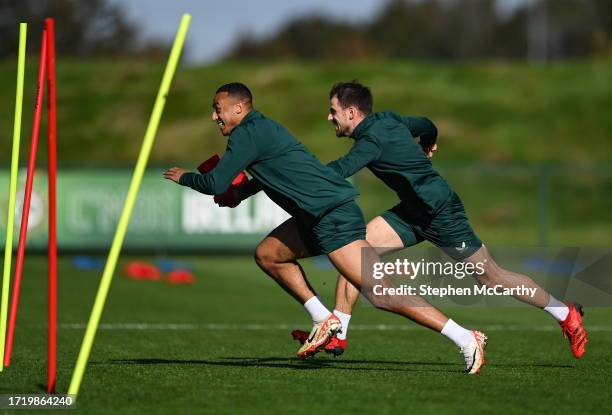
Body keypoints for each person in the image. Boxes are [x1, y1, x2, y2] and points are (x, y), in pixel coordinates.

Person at [164, 82, 487, 373]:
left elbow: (214, 181)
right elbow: (268, 173)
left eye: (217, 110)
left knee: (384, 294)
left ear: (239, 108)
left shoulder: (247, 134)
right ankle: (324, 320)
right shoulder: (259, 129)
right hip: (315, 214)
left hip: (332, 215)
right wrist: (239, 193)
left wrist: (185, 178)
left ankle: (465, 338)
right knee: (269, 254)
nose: (213, 117)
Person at [291, 81, 587, 361]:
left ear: (351, 112)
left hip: (442, 213)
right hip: (412, 212)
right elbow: (426, 125)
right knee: (356, 252)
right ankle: (338, 332)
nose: (330, 117)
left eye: (334, 111)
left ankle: (565, 313)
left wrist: (288, 174)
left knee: (490, 278)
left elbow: (340, 169)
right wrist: (428, 143)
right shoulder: (389, 120)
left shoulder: (371, 142)